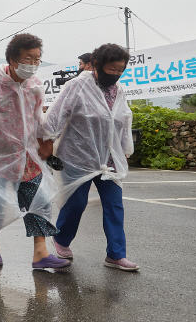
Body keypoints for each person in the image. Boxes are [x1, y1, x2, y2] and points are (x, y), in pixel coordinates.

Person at [0, 33, 69, 269]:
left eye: (36, 59)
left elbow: (37, 118)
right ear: (13, 60)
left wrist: (47, 140)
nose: (32, 64)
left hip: (27, 154)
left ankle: (40, 254)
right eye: (27, 58)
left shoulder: (35, 86)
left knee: (39, 198)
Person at [42, 43, 138, 271]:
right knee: (76, 203)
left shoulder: (119, 90)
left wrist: (125, 148)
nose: (114, 74)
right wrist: (46, 141)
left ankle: (116, 255)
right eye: (110, 69)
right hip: (78, 156)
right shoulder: (77, 86)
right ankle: (61, 239)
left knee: (114, 205)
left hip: (109, 159)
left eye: (119, 70)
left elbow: (123, 118)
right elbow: (56, 114)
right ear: (96, 65)